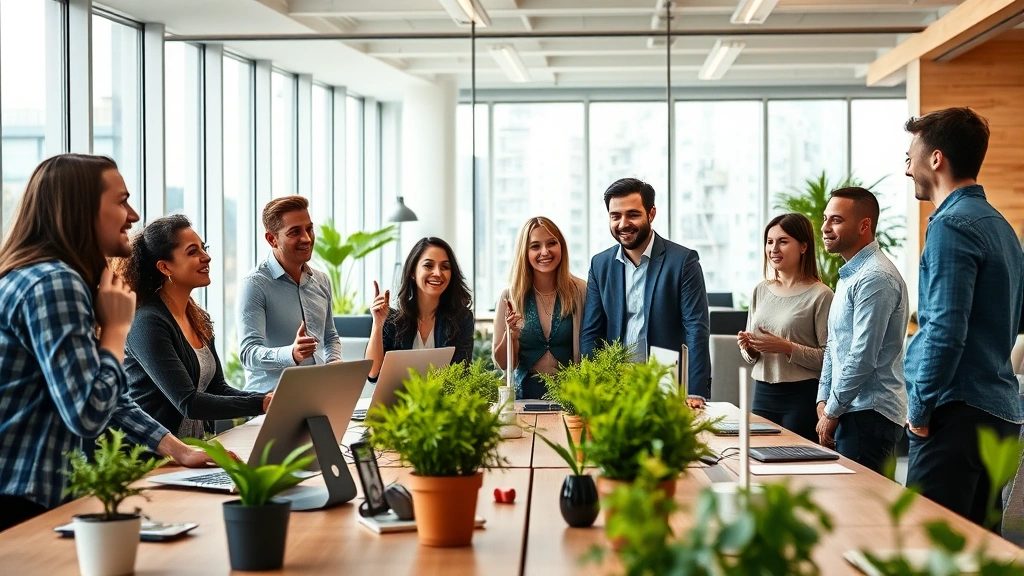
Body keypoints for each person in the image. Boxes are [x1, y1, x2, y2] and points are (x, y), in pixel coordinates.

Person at [0, 155, 212, 532]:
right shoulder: (54, 284)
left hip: (34, 495)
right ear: (81, 210)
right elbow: (87, 413)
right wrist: (115, 330)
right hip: (22, 501)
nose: (132, 216)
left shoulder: (49, 278)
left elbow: (107, 396)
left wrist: (180, 451)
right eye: (121, 201)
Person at [903, 107, 1024, 530]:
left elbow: (943, 330)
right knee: (975, 554)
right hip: (998, 416)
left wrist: (919, 409)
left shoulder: (952, 225)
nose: (907, 169)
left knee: (928, 549)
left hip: (956, 415)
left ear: (936, 159)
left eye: (910, 157)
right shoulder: (1000, 226)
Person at [116, 215, 271, 439]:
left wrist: (266, 399)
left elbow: (217, 388)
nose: (206, 257)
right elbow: (188, 402)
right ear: (165, 267)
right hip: (152, 460)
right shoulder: (147, 322)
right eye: (193, 252)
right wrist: (260, 403)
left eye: (203, 248)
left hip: (194, 450)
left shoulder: (196, 317)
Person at [580, 177, 712, 401]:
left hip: (665, 381)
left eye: (633, 214)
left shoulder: (683, 261)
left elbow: (696, 329)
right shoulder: (600, 264)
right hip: (614, 386)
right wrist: (592, 386)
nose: (623, 224)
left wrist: (696, 391)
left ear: (651, 214)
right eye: (615, 216)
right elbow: (591, 332)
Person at [815, 187, 908, 474]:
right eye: (825, 218)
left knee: (863, 513)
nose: (825, 227)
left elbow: (862, 355)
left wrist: (832, 409)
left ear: (864, 225)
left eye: (836, 220)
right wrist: (823, 400)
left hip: (870, 415)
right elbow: (835, 344)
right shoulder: (849, 275)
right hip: (849, 410)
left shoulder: (875, 277)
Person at [738, 213, 833, 442]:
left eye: (782, 241)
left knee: (794, 469)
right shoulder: (760, 290)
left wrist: (787, 347)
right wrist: (749, 349)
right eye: (769, 242)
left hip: (800, 397)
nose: (774, 249)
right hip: (762, 392)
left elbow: (828, 359)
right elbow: (750, 355)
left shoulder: (821, 295)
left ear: (803, 247)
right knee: (757, 462)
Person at [238, 196, 343, 393]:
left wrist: (334, 361)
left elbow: (330, 336)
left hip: (318, 395)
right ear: (272, 239)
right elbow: (248, 354)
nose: (307, 238)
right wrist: (291, 354)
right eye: (295, 232)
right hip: (271, 401)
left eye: (309, 229)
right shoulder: (254, 285)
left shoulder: (321, 281)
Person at [492, 217, 587, 399]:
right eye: (535, 246)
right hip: (524, 393)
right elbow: (503, 364)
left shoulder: (580, 291)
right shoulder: (509, 297)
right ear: (524, 252)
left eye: (551, 243)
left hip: (571, 394)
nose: (545, 252)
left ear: (562, 247)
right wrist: (511, 337)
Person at [366, 237, 474, 380]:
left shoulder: (461, 318)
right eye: (428, 265)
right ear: (412, 272)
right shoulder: (393, 319)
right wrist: (377, 324)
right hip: (398, 401)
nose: (437, 273)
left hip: (443, 401)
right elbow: (373, 372)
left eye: (445, 267)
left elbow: (462, 375)